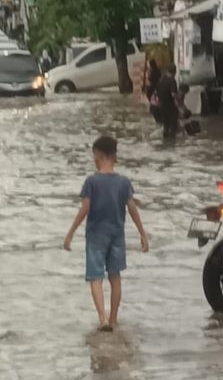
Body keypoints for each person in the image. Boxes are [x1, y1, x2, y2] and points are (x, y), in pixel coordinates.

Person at [63, 136, 149, 332]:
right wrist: (142, 233)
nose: (93, 159)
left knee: (95, 277)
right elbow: (132, 209)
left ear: (100, 156)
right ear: (114, 157)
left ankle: (102, 319)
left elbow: (85, 208)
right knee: (115, 276)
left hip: (95, 235)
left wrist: (70, 233)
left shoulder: (91, 182)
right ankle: (113, 319)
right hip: (117, 235)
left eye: (94, 155)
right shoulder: (123, 182)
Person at [154, 66, 180, 139]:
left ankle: (165, 141)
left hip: (161, 105)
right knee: (173, 124)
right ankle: (172, 141)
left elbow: (156, 92)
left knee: (166, 125)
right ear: (175, 72)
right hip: (170, 105)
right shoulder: (172, 80)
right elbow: (173, 94)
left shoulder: (161, 79)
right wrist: (179, 98)